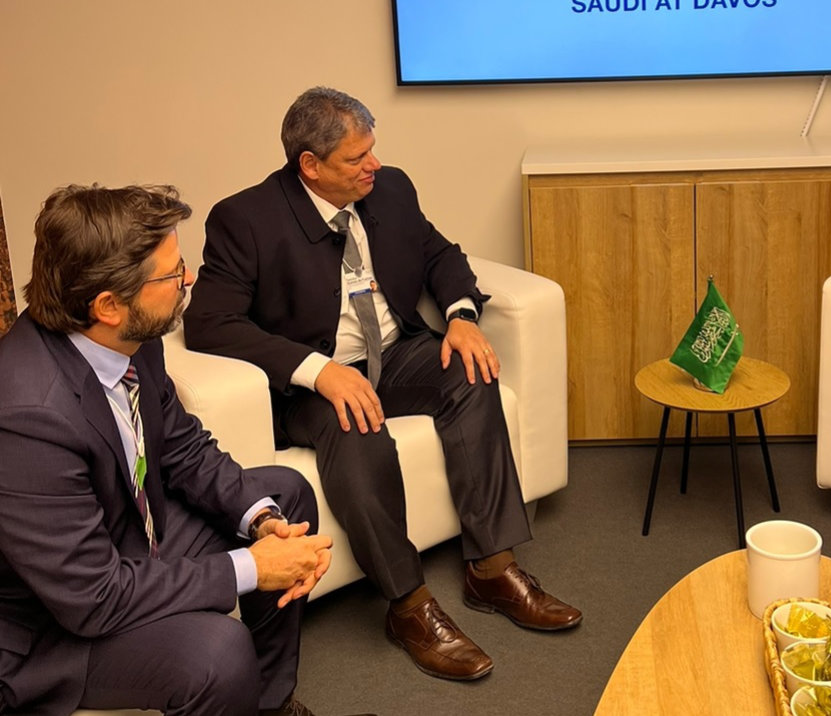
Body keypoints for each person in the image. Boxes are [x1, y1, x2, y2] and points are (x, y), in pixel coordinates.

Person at [183, 87, 581, 682]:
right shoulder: (245, 219)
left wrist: (463, 318)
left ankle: (492, 569)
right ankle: (409, 606)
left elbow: (441, 254)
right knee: (356, 422)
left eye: (373, 150)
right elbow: (210, 323)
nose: (373, 165)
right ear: (309, 166)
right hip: (308, 387)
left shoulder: (389, 187)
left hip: (393, 355)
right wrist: (320, 371)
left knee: (470, 370)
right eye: (355, 158)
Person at [0, 185, 370, 715]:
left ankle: (265, 704)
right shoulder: (26, 414)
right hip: (51, 627)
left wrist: (262, 522)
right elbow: (92, 597)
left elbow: (181, 446)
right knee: (218, 653)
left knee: (283, 494)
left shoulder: (129, 339)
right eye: (173, 274)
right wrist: (251, 567)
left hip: (127, 538)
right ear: (108, 304)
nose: (189, 278)